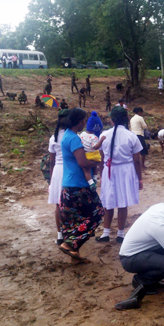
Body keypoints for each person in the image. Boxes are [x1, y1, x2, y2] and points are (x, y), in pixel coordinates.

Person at [58, 108, 103, 263]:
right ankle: (69, 244)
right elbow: (82, 162)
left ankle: (74, 254)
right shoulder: (74, 139)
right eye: (83, 120)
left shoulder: (66, 136)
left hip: (68, 184)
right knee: (97, 212)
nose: (84, 123)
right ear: (78, 122)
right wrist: (96, 162)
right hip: (78, 185)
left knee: (73, 220)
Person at [98, 106, 143, 243]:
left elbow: (101, 158)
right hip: (125, 170)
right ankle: (120, 234)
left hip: (109, 170)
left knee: (108, 202)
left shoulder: (104, 135)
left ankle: (106, 233)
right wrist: (139, 178)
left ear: (112, 120)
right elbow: (137, 160)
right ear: (126, 119)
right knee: (123, 202)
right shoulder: (131, 136)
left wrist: (101, 175)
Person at [49, 109, 69, 245]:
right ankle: (70, 232)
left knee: (58, 204)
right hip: (69, 170)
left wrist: (51, 181)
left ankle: (60, 234)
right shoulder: (72, 137)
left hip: (57, 171)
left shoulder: (53, 138)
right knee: (70, 203)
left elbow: (51, 161)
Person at [79, 112, 106, 185]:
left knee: (86, 170)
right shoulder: (94, 137)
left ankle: (90, 183)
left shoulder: (82, 134)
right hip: (93, 155)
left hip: (84, 155)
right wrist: (101, 141)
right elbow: (96, 147)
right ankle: (94, 178)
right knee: (95, 167)